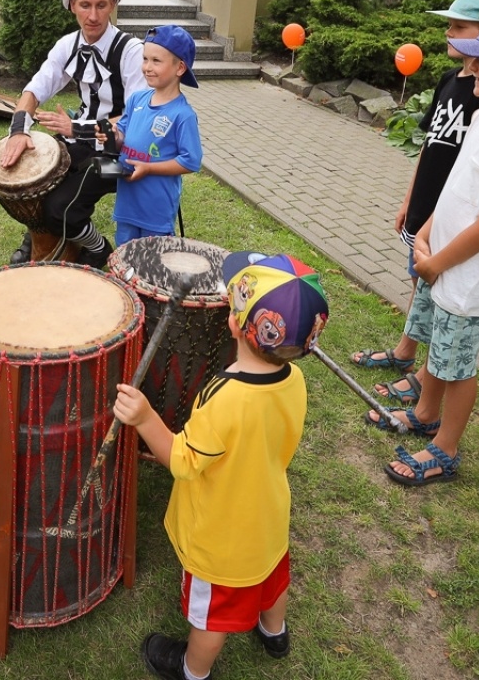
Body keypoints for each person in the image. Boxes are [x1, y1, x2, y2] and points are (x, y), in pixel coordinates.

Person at [114, 250, 327, 680]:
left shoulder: (226, 399)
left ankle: (193, 670)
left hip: (224, 537)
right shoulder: (296, 381)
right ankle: (274, 632)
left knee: (211, 616)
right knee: (272, 579)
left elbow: (181, 461)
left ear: (234, 322)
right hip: (268, 518)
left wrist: (144, 418)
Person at [365, 14, 479, 487]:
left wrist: (436, 263)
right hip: (440, 261)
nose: (472, 65)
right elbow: (455, 189)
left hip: (467, 276)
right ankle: (426, 411)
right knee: (435, 343)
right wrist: (426, 230)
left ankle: (445, 449)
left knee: (457, 362)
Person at [350, 0, 479, 399]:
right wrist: (409, 200)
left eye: (460, 26)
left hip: (451, 217)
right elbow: (429, 144)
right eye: (449, 25)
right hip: (424, 208)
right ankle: (406, 351)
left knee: (438, 290)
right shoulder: (449, 79)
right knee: (418, 280)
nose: (449, 33)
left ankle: (427, 372)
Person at [0, 0, 145, 266]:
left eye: (101, 5)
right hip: (80, 139)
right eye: (85, 5)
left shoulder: (131, 52)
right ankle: (37, 237)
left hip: (124, 157)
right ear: (71, 4)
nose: (93, 16)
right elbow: (34, 90)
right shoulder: (67, 45)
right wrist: (19, 131)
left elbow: (136, 121)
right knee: (27, 181)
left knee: (62, 207)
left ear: (113, 3)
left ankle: (98, 249)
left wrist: (79, 127)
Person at [110, 24, 203, 245]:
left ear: (180, 68)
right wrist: (112, 136)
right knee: (124, 259)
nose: (147, 67)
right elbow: (122, 132)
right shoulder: (137, 99)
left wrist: (150, 168)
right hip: (127, 205)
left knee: (151, 266)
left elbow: (191, 161)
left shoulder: (183, 115)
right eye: (145, 59)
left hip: (155, 211)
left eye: (156, 61)